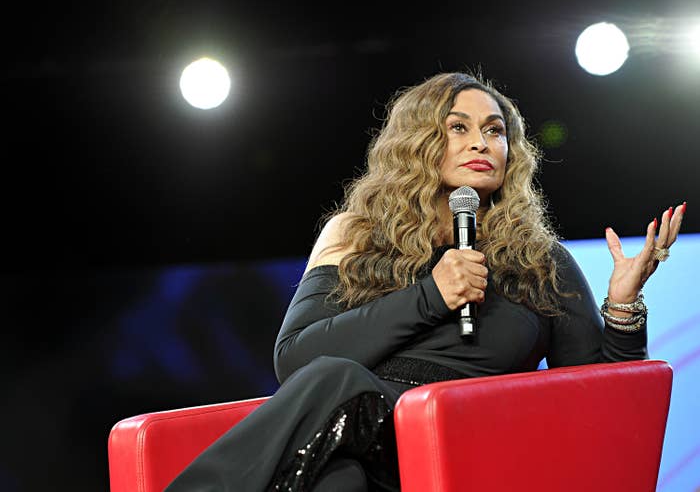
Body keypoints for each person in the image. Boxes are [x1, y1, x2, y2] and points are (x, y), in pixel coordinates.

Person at [164, 71, 686, 492]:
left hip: (466, 446)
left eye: (495, 130)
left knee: (337, 381)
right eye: (458, 127)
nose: (480, 142)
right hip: (362, 444)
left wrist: (623, 305)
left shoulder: (538, 259)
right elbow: (295, 359)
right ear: (420, 142)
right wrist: (432, 294)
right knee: (336, 477)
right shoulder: (355, 234)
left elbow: (602, 407)